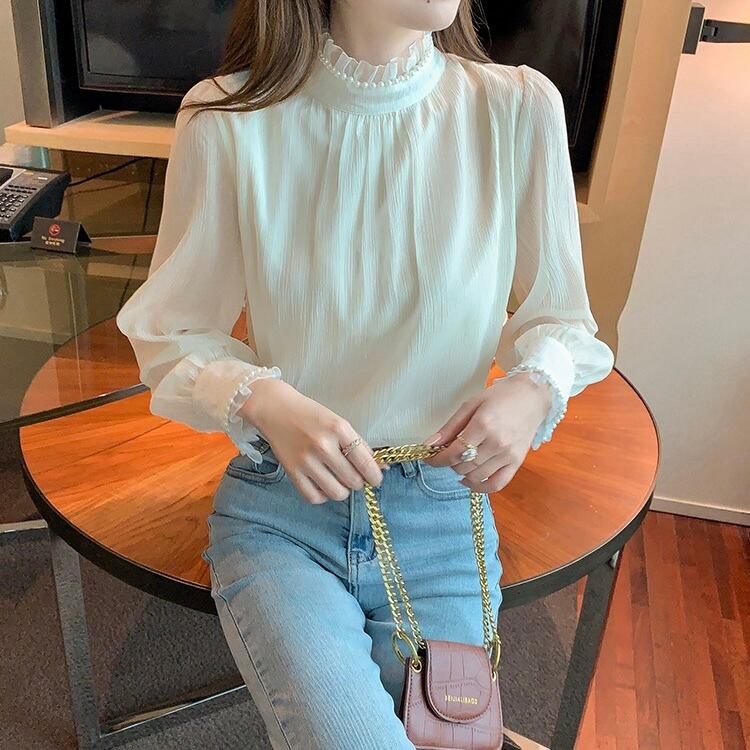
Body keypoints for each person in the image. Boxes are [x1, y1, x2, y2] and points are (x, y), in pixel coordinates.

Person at [115, 1, 615, 748]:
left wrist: (532, 385)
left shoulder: (514, 108)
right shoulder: (226, 117)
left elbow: (563, 321)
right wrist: (264, 398)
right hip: (284, 513)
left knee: (452, 736)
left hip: (442, 513)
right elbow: (173, 331)